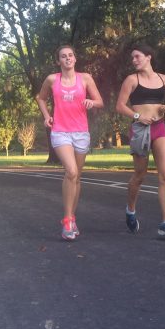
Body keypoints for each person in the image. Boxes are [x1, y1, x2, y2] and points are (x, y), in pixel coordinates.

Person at [36, 44, 104, 241]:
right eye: (63, 56)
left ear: (75, 59)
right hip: (60, 132)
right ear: (58, 61)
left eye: (70, 55)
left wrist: (92, 103)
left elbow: (99, 101)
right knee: (71, 172)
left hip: (81, 132)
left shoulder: (85, 78)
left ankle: (72, 218)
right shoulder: (51, 80)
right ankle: (66, 221)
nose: (67, 58)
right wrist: (47, 115)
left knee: (78, 177)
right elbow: (40, 98)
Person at [115, 44, 165, 239]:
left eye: (137, 57)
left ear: (148, 57)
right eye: (132, 58)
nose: (134, 60)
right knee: (140, 175)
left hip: (159, 128)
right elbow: (119, 106)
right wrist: (137, 116)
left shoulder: (164, 79)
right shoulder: (131, 80)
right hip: (140, 129)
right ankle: (131, 209)